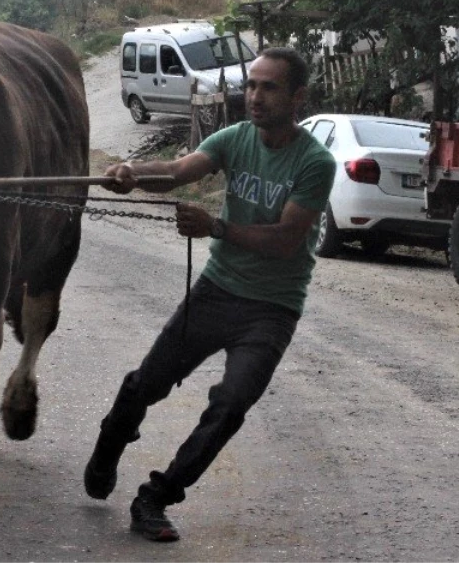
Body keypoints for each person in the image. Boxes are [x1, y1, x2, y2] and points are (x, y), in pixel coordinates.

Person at [83, 47, 336, 543]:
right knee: (146, 385)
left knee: (230, 406)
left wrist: (216, 226)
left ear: (297, 97)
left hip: (272, 309)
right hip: (217, 291)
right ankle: (114, 433)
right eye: (253, 85)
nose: (254, 96)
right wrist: (131, 175)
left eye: (269, 87)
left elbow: (287, 240)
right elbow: (179, 170)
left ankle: (155, 497)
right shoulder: (237, 138)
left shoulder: (315, 162)